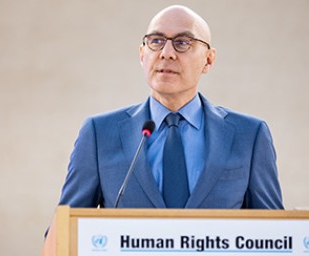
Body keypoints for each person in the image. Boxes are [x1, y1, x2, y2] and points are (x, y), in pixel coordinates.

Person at [57, 5, 283, 209]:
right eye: (156, 41)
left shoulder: (249, 136)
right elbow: (63, 235)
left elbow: (276, 237)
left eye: (182, 43)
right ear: (142, 54)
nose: (166, 53)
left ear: (209, 60)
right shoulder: (100, 134)